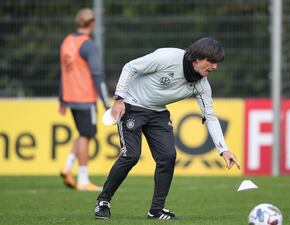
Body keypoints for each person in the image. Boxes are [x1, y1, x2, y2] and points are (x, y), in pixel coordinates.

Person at [93, 37, 240, 220]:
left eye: (217, 63)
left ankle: (156, 211)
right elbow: (130, 67)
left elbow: (209, 116)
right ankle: (103, 202)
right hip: (132, 105)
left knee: (168, 157)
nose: (215, 67)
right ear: (197, 59)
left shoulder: (201, 85)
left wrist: (223, 150)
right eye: (212, 62)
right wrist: (119, 99)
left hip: (158, 113)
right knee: (131, 155)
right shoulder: (168, 57)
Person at [59, 8, 110, 191]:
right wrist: (105, 102)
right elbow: (97, 74)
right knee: (87, 136)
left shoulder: (67, 41)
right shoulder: (88, 45)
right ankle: (82, 179)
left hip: (71, 96)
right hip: (85, 97)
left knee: (82, 133)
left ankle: (67, 166)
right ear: (92, 23)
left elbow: (64, 71)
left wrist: (62, 98)